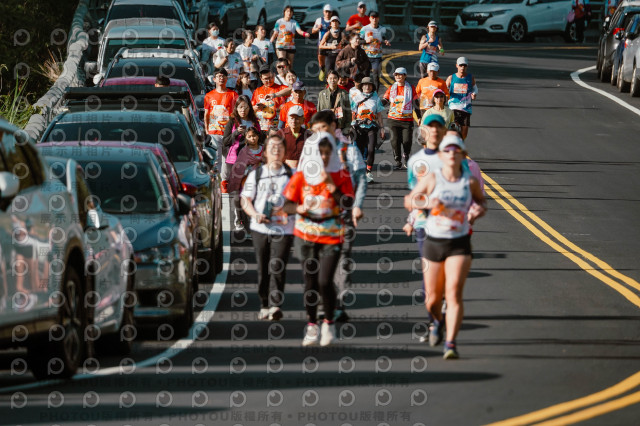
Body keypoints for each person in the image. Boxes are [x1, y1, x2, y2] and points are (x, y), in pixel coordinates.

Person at [404, 134, 486, 360]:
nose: (451, 154)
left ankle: (451, 343)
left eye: (455, 150)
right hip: (434, 241)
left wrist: (476, 212)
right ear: (441, 154)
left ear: (462, 154)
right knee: (432, 299)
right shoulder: (432, 178)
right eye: (447, 150)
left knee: (453, 294)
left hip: (459, 242)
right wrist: (428, 204)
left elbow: (481, 201)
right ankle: (437, 322)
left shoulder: (469, 181)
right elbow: (410, 200)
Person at [282, 131, 354, 347]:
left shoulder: (341, 175)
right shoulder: (301, 176)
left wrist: (332, 186)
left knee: (325, 281)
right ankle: (312, 324)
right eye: (319, 153)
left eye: (327, 153)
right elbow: (287, 205)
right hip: (306, 235)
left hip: (331, 234)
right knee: (311, 282)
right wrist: (299, 208)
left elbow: (348, 204)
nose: (323, 157)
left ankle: (329, 323)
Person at [308, 110, 367, 323]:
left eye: (323, 128)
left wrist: (357, 206)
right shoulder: (311, 152)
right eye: (316, 130)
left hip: (343, 215)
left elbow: (360, 179)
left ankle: (338, 305)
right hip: (317, 216)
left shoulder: (348, 150)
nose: (320, 134)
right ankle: (324, 302)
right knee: (318, 261)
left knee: (342, 261)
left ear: (333, 127)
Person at [240, 134, 295, 321]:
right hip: (260, 228)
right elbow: (245, 199)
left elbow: (301, 200)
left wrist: (289, 210)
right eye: (272, 147)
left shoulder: (292, 175)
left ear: (285, 152)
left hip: (284, 229)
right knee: (263, 268)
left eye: (280, 147)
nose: (276, 150)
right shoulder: (257, 174)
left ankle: (275, 305)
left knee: (278, 265)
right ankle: (264, 304)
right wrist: (255, 214)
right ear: (265, 152)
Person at [222, 95, 261, 210]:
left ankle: (250, 212)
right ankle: (238, 216)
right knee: (236, 189)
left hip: (252, 158)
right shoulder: (232, 122)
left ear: (250, 108)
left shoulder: (254, 122)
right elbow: (225, 141)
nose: (243, 110)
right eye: (240, 107)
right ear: (236, 108)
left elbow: (261, 138)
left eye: (245, 107)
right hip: (235, 159)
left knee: (252, 186)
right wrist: (236, 133)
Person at [203, 68, 239, 192]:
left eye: (223, 76)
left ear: (227, 79)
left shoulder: (233, 95)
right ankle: (218, 184)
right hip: (214, 132)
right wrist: (207, 130)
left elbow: (236, 113)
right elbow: (207, 114)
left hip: (228, 132)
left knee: (228, 160)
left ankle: (225, 181)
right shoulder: (209, 95)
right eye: (218, 76)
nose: (221, 78)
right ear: (214, 79)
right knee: (217, 159)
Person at [228, 127, 265, 232]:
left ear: (258, 136)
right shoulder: (244, 152)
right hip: (246, 182)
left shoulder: (264, 150)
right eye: (249, 136)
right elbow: (239, 167)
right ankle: (244, 223)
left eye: (254, 136)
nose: (252, 138)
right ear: (246, 138)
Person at [383, 67, 419, 170]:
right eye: (396, 75)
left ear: (405, 76)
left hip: (407, 120)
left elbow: (416, 103)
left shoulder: (411, 88)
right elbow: (385, 100)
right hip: (393, 119)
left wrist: (419, 116)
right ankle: (398, 160)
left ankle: (406, 155)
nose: (398, 76)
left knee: (407, 141)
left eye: (400, 74)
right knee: (395, 141)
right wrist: (377, 106)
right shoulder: (391, 88)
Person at [350, 76, 385, 183]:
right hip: (359, 128)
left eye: (369, 85)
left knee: (371, 150)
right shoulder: (356, 98)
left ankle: (368, 171)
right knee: (360, 151)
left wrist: (382, 128)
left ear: (372, 87)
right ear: (361, 87)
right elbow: (353, 113)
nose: (367, 87)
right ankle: (360, 172)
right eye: (365, 85)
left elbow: (379, 115)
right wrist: (351, 125)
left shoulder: (376, 99)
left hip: (371, 127)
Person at [446, 57, 477, 141]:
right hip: (454, 108)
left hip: (466, 108)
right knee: (453, 130)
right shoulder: (451, 78)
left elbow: (475, 88)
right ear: (457, 66)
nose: (462, 67)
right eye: (461, 65)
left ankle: (460, 144)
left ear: (467, 66)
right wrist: (446, 94)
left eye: (464, 65)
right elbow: (445, 89)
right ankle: (452, 144)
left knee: (464, 133)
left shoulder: (470, 77)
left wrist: (474, 93)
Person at [359, 11, 390, 90]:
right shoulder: (365, 28)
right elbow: (358, 41)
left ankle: (375, 93)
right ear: (369, 18)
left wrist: (386, 41)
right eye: (372, 17)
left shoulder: (382, 29)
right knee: (365, 76)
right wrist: (365, 41)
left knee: (376, 75)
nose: (374, 19)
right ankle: (364, 92)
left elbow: (384, 36)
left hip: (377, 57)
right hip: (366, 56)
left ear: (378, 18)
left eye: (376, 17)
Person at [252, 64, 287, 132]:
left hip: (278, 127)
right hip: (262, 126)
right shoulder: (257, 91)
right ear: (261, 78)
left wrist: (275, 95)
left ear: (274, 75)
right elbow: (251, 108)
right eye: (265, 79)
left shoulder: (281, 88)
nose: (268, 80)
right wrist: (256, 108)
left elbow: (291, 90)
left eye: (270, 77)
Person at [312, 4, 334, 81]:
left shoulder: (333, 21)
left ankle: (329, 78)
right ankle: (322, 69)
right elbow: (313, 31)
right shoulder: (319, 20)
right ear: (323, 12)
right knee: (321, 60)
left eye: (329, 12)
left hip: (330, 44)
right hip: (321, 43)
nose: (327, 13)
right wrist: (318, 28)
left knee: (329, 62)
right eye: (326, 12)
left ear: (331, 13)